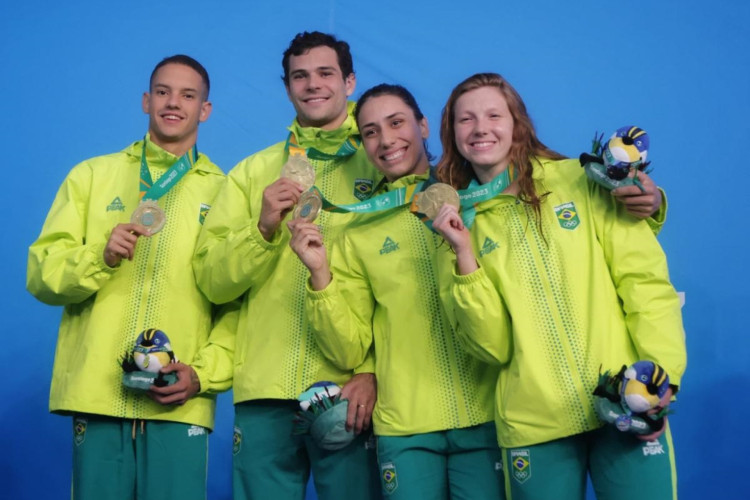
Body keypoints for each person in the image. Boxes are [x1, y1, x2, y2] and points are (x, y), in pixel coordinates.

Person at [431, 72, 687, 500]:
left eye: (494, 114)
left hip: (625, 400)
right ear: (451, 133)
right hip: (535, 422)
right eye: (465, 120)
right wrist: (463, 257)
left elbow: (645, 285)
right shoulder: (456, 223)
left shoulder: (581, 180)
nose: (480, 128)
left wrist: (660, 377)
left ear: (517, 123)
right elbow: (493, 347)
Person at [26, 55, 236, 500]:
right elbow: (42, 275)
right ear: (146, 100)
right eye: (162, 91)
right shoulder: (91, 176)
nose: (173, 103)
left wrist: (203, 373)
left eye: (188, 94)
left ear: (206, 109)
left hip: (178, 400)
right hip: (97, 395)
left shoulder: (225, 191)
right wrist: (98, 256)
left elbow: (237, 303)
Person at [288, 84, 505, 499]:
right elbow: (349, 348)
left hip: (488, 414)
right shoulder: (360, 229)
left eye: (396, 122)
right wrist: (320, 276)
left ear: (423, 126)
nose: (386, 140)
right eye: (370, 131)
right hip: (406, 428)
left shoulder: (478, 198)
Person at [192, 32, 381, 500]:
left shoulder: (383, 165)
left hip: (349, 387)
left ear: (350, 81)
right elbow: (212, 282)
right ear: (286, 86)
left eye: (325, 73)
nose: (312, 85)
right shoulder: (252, 173)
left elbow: (408, 284)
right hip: (264, 390)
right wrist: (260, 230)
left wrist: (375, 369)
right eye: (300, 76)